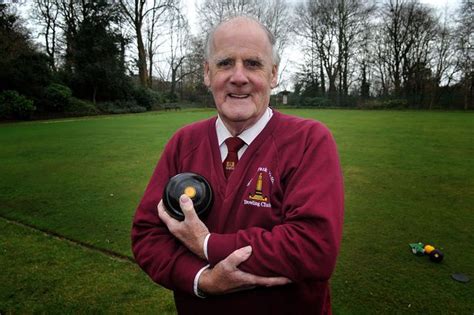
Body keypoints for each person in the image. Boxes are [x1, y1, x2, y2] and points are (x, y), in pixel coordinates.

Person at [131, 16, 344, 315]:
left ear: (273, 74)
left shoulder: (309, 140)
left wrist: (207, 244)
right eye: (225, 63)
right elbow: (147, 235)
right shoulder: (183, 143)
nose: (239, 77)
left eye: (253, 64)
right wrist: (201, 280)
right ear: (207, 73)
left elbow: (314, 248)